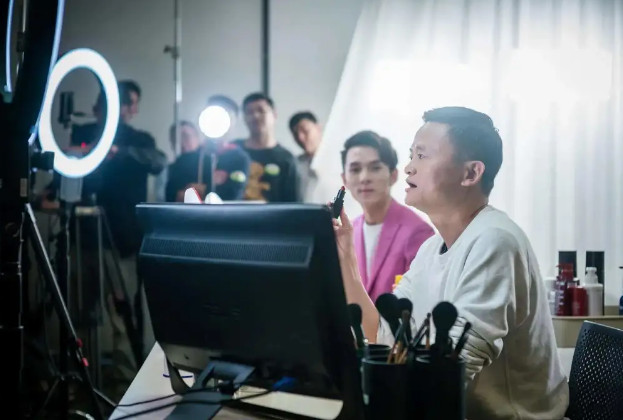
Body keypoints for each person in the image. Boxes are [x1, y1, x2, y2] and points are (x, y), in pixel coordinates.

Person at [332, 107, 569, 419]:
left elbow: (449, 374)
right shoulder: (432, 248)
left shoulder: (496, 241)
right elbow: (383, 337)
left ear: (471, 173)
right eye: (411, 156)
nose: (409, 167)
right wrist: (346, 260)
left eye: (422, 155)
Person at [340, 130, 433, 302]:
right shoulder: (348, 232)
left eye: (375, 168)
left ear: (393, 175)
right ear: (344, 179)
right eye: (355, 169)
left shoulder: (418, 233)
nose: (364, 178)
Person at [233, 92, 300, 202]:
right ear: (244, 118)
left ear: (274, 115)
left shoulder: (286, 159)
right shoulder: (232, 151)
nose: (255, 116)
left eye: (261, 111)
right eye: (249, 112)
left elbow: (293, 202)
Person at [165, 119, 250, 202]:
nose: (181, 142)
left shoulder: (238, 157)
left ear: (197, 137)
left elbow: (232, 194)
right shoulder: (180, 163)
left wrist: (202, 190)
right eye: (175, 138)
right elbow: (171, 196)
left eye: (186, 136)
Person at [289, 111, 322, 202]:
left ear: (318, 128)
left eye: (305, 131)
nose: (300, 137)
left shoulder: (341, 160)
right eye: (296, 134)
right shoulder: (295, 164)